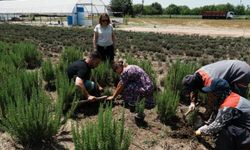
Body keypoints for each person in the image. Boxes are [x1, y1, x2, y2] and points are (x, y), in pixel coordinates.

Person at [195, 78, 250, 150]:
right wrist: (207, 125)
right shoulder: (228, 96)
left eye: (211, 94)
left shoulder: (229, 104)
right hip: (245, 130)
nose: (209, 96)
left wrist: (201, 131)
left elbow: (216, 126)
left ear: (218, 94)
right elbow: (216, 117)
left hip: (247, 135)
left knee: (225, 130)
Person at [182, 60, 250, 115]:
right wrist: (192, 102)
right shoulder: (197, 74)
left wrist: (209, 113)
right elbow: (194, 88)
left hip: (241, 71)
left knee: (236, 100)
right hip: (234, 66)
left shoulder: (211, 81)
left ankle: (240, 119)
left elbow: (214, 99)